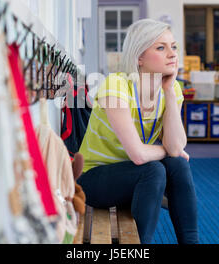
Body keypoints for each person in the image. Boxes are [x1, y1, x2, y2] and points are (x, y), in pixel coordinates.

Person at [77, 19, 198, 244]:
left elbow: (177, 148)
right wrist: (167, 150)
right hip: (94, 179)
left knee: (178, 164)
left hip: (135, 176)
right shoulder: (116, 85)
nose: (172, 54)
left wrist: (170, 93)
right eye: (160, 48)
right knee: (153, 170)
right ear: (139, 57)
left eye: (174, 46)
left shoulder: (173, 89)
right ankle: (140, 246)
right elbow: (139, 155)